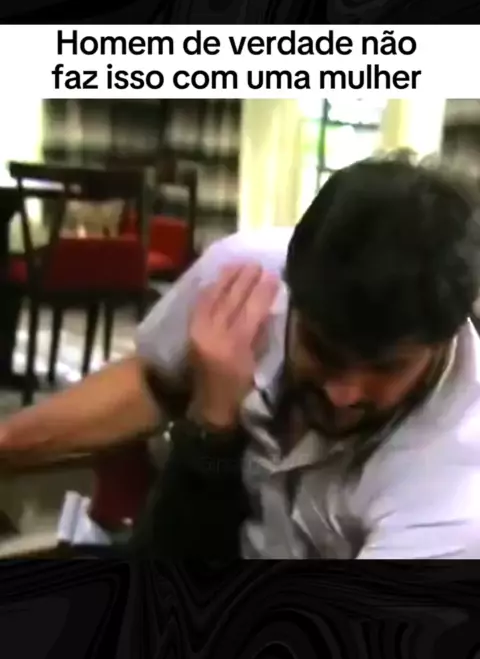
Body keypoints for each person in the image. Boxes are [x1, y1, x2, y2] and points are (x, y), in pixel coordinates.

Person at [2, 154, 480, 558]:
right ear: (292, 292)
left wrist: (213, 427)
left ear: (445, 341)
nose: (343, 393)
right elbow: (154, 382)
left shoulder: (455, 485)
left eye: (387, 368)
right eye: (322, 350)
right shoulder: (247, 279)